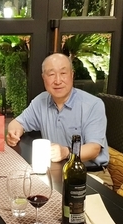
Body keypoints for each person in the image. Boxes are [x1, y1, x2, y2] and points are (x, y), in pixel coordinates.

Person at [6, 53, 113, 187]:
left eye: (63, 73)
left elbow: (94, 149)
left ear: (72, 75)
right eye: (51, 74)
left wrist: (66, 152)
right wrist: (13, 133)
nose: (57, 80)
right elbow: (17, 123)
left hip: (90, 175)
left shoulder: (92, 104)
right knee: (17, 188)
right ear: (43, 78)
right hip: (56, 173)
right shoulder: (41, 101)